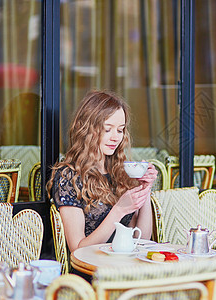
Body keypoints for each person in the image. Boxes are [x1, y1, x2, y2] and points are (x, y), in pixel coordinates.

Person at [47, 90, 157, 253]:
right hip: (92, 270)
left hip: (123, 265)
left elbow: (142, 240)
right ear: (87, 129)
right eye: (107, 129)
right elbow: (77, 249)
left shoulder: (120, 172)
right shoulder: (68, 176)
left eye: (120, 130)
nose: (115, 137)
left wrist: (145, 188)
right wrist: (119, 210)